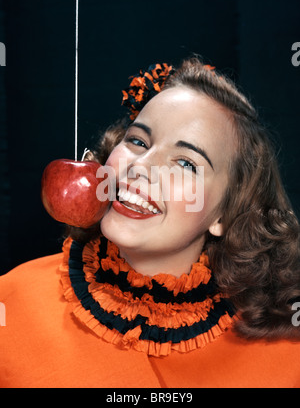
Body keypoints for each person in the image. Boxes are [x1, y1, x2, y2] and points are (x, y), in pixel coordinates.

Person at [1, 57, 300, 388]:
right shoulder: (10, 301)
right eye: (138, 141)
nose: (141, 166)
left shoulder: (289, 356)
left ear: (224, 214)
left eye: (186, 163)